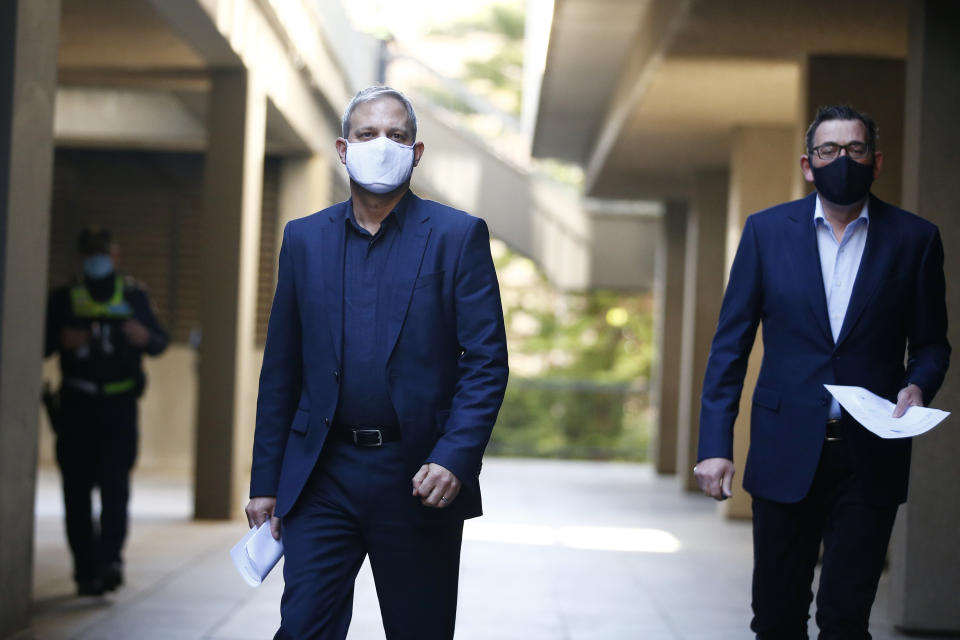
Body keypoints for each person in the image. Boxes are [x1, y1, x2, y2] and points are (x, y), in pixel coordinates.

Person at [245, 86, 509, 639]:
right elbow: (282, 370)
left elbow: (485, 362)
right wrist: (265, 481)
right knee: (302, 629)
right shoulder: (303, 239)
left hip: (416, 476)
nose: (382, 145)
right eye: (367, 134)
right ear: (344, 148)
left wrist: (454, 457)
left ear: (416, 153)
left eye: (397, 135)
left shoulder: (458, 237)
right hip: (322, 474)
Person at [694, 105, 950, 639]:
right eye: (829, 151)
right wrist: (715, 444)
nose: (842, 160)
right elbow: (730, 346)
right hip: (784, 447)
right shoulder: (766, 232)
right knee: (777, 617)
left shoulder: (914, 239)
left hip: (870, 455)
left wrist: (919, 383)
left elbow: (930, 344)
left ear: (875, 162)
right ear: (808, 164)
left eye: (855, 150)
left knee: (845, 618)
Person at [44, 227, 169, 596]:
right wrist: (62, 339)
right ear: (82, 258)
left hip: (118, 408)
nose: (97, 260)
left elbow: (159, 341)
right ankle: (85, 571)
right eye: (90, 253)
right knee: (77, 492)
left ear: (115, 256)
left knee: (116, 488)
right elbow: (39, 343)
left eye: (103, 252)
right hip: (77, 408)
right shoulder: (65, 298)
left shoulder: (133, 296)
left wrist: (143, 337)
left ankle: (110, 560)